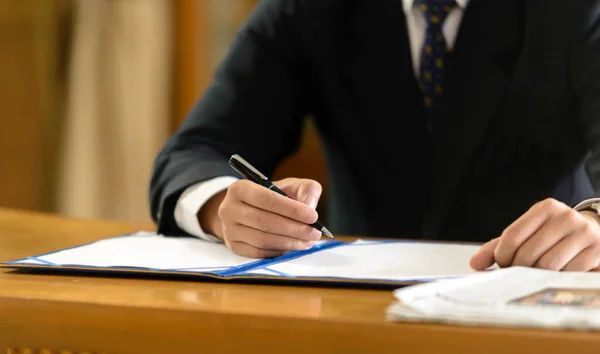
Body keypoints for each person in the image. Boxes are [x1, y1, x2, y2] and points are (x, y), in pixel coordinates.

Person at [149, 0, 600, 272]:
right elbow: (196, 151)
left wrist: (595, 224)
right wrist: (222, 208)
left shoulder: (577, 9)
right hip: (354, 305)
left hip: (535, 296)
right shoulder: (309, 9)